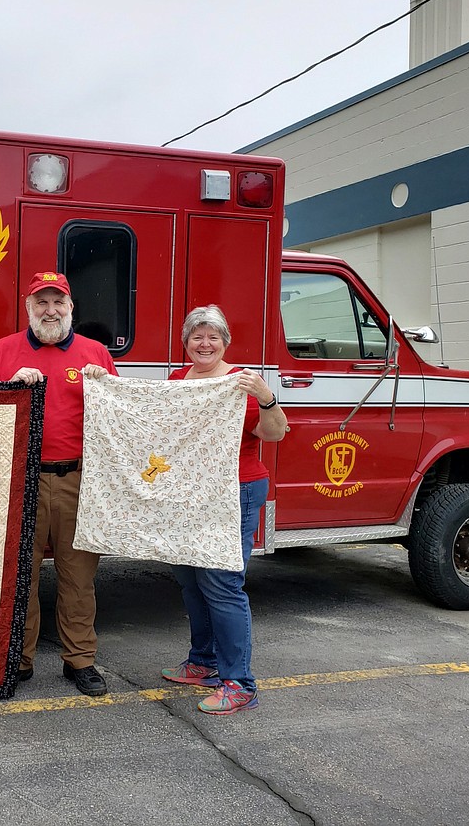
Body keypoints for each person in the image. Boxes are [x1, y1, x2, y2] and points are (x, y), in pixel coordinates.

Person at [0, 271, 118, 696]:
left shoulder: (95, 354)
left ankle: (80, 661)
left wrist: (106, 388)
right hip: (21, 480)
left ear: (71, 308)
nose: (50, 310)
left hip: (79, 479)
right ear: (28, 308)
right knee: (22, 576)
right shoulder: (2, 352)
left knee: (78, 578)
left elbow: (119, 419)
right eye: (42, 302)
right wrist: (8, 389)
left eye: (59, 302)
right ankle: (17, 659)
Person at [160, 304, 287, 714]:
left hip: (236, 490)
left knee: (221, 583)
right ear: (186, 343)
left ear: (225, 342)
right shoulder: (178, 380)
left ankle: (239, 683)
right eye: (197, 335)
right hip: (188, 494)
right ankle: (204, 662)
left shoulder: (240, 383)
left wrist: (267, 398)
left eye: (213, 336)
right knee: (189, 580)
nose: (205, 342)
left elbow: (275, 434)